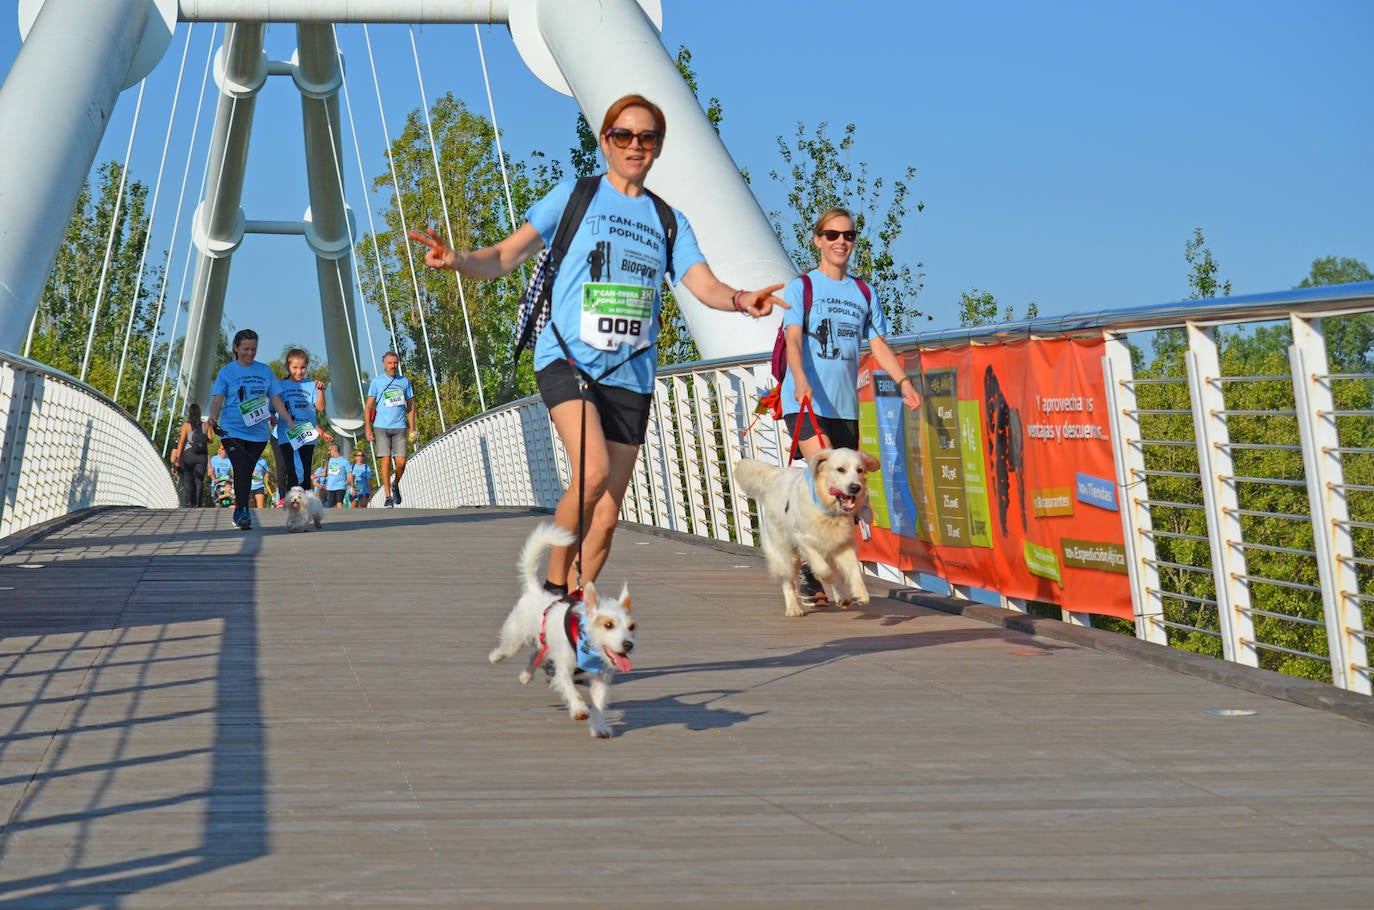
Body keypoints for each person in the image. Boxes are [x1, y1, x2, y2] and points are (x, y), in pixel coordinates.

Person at [410, 93, 785, 599]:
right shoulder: (575, 197)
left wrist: (741, 299)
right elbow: (503, 256)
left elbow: (703, 284)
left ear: (657, 148)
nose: (636, 146)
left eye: (647, 138)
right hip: (568, 359)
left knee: (607, 518)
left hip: (631, 374)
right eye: (624, 135)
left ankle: (573, 613)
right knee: (591, 477)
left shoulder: (668, 220)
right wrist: (457, 259)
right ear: (605, 141)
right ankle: (550, 592)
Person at [780, 206, 921, 607]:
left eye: (848, 236)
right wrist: (800, 378)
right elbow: (792, 339)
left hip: (845, 408)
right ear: (817, 240)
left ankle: (813, 560)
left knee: (844, 494)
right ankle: (811, 570)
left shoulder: (864, 292)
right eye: (832, 235)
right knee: (825, 482)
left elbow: (877, 343)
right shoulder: (802, 287)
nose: (841, 242)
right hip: (805, 401)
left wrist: (904, 382)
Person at [206, 329, 296, 531]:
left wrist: (287, 419)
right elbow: (218, 399)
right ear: (236, 348)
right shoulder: (226, 372)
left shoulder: (264, 371)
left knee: (248, 469)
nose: (249, 353)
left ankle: (241, 510)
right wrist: (212, 415)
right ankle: (243, 511)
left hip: (258, 433)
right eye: (245, 349)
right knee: (240, 468)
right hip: (232, 431)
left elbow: (275, 398)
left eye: (253, 349)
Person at [271, 347, 332, 497]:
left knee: (305, 473)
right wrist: (271, 418)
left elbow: (321, 407)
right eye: (295, 368)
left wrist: (320, 391)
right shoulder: (280, 386)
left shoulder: (311, 385)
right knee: (290, 471)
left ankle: (306, 506)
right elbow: (271, 408)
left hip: (306, 435)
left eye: (303, 367)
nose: (299, 371)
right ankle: (291, 505)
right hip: (287, 434)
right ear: (288, 367)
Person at [363, 351, 416, 507]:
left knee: (401, 462)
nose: (393, 366)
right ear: (384, 364)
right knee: (385, 460)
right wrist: (368, 429)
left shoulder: (404, 382)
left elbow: (411, 406)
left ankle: (395, 484)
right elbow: (368, 407)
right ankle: (387, 496)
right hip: (381, 426)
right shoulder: (377, 382)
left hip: (399, 426)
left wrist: (412, 428)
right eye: (390, 363)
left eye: (395, 363)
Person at [171, 403, 211, 507]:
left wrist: (178, 459)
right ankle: (198, 503)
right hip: (201, 456)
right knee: (199, 480)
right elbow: (211, 439)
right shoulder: (206, 425)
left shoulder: (186, 425)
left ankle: (188, 502)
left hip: (188, 455)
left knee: (188, 479)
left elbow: (181, 442)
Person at [322, 441, 350, 508]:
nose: (329, 452)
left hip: (340, 486)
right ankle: (335, 518)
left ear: (334, 450)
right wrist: (317, 475)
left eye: (330, 450)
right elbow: (328, 473)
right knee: (332, 505)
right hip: (330, 486)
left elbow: (349, 474)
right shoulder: (330, 460)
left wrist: (349, 484)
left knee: (339, 503)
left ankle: (341, 517)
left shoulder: (344, 461)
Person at [209, 444, 234, 508]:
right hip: (217, 483)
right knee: (218, 502)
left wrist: (234, 479)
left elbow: (232, 471)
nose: (224, 451)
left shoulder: (229, 459)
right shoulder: (214, 459)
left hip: (226, 483)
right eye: (222, 449)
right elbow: (211, 471)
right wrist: (214, 479)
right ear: (219, 450)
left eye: (225, 449)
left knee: (229, 501)